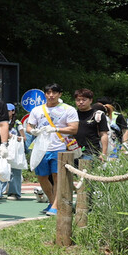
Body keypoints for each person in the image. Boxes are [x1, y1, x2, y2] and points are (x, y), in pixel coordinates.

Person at [25, 84, 79, 216]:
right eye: (48, 92)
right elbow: (29, 126)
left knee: (57, 176)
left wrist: (56, 129)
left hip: (60, 147)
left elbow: (74, 128)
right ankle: (52, 202)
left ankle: (56, 206)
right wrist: (33, 131)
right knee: (42, 177)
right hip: (41, 148)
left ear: (60, 94)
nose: (51, 95)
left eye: (54, 92)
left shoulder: (68, 109)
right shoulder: (37, 110)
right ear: (45, 94)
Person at [73, 88, 108, 162]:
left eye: (84, 100)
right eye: (78, 100)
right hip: (73, 150)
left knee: (85, 172)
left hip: (91, 151)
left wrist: (104, 153)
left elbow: (104, 134)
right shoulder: (72, 115)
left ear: (91, 100)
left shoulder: (98, 114)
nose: (81, 102)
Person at [0, 104, 23, 200]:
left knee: (15, 171)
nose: (6, 112)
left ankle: (14, 193)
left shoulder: (17, 124)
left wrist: (13, 137)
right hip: (1, 148)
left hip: (14, 150)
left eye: (8, 110)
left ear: (13, 111)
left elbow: (23, 138)